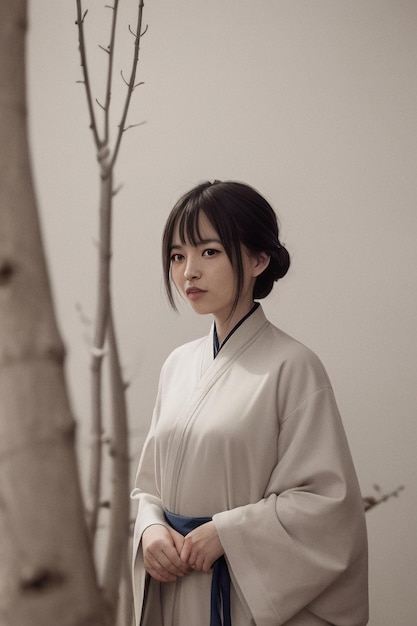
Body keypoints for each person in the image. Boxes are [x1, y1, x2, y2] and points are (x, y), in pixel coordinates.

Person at [131, 180, 368, 626]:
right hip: (177, 585)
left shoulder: (293, 366)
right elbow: (149, 487)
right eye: (178, 256)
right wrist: (150, 528)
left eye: (209, 252)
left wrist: (228, 532)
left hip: (243, 595)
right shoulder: (177, 365)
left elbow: (327, 504)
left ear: (259, 259)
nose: (188, 273)